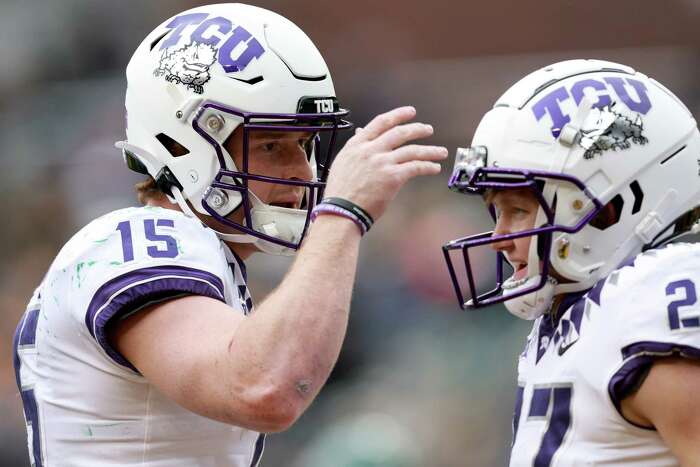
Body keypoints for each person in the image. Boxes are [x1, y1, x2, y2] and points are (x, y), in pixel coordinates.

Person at [12, 4, 447, 466]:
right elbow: (263, 388)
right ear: (183, 143)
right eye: (271, 145)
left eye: (303, 145)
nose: (301, 170)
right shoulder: (139, 241)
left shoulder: (204, 257)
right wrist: (343, 214)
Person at [443, 59, 700, 465]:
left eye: (518, 210)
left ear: (610, 207)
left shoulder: (652, 301)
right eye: (497, 212)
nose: (499, 239)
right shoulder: (577, 313)